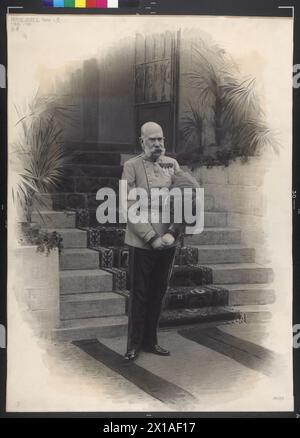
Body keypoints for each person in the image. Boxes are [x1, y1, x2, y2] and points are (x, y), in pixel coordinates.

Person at [121, 122, 182, 361]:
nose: (158, 144)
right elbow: (129, 206)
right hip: (141, 242)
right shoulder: (131, 166)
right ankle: (133, 345)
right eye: (152, 140)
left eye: (161, 139)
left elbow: (185, 200)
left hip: (167, 242)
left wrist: (172, 234)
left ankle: (150, 341)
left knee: (158, 292)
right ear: (142, 141)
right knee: (140, 294)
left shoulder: (173, 165)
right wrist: (151, 237)